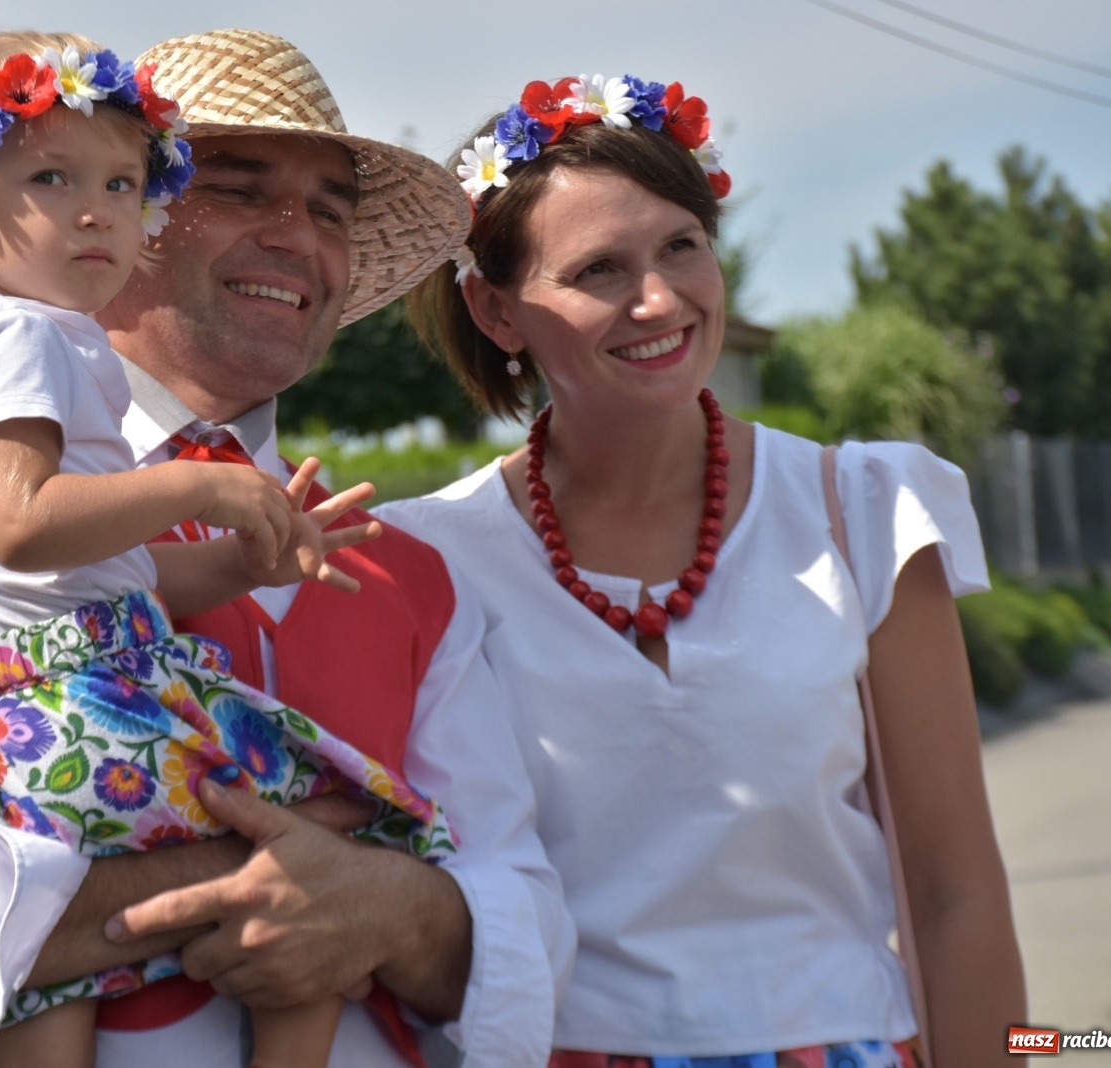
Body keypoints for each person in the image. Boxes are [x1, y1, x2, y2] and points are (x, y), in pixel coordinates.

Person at [0, 28, 572, 1068]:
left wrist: (393, 909)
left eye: (327, 210)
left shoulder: (406, 573)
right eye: (238, 187)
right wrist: (238, 887)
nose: (294, 235)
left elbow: (526, 922)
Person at [384, 73, 1026, 1065]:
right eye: (599, 269)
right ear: (496, 311)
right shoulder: (424, 558)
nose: (658, 299)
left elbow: (956, 892)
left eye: (681, 246)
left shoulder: (862, 510)